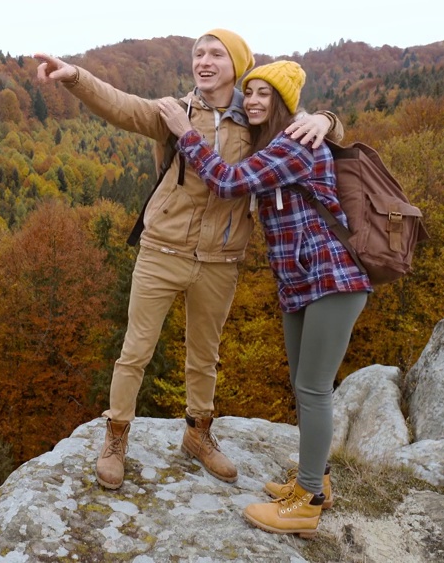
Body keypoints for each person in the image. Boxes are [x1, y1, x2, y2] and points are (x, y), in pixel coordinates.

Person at [35, 30, 343, 490]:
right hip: (163, 250)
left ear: (236, 65)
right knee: (135, 351)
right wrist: (75, 77)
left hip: (220, 258)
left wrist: (327, 119)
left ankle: (198, 435)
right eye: (198, 53)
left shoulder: (257, 116)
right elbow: (122, 106)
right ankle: (116, 437)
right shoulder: (174, 112)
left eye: (216, 54)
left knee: (204, 356)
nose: (204, 60)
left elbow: (307, 125)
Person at [156, 59, 371, 538]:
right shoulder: (281, 139)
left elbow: (228, 181)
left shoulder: (294, 142)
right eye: (248, 92)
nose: (252, 101)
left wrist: (182, 132)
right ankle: (319, 480)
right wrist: (329, 117)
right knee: (303, 384)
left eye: (263, 95)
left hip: (333, 278)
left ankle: (308, 501)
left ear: (283, 102)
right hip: (301, 283)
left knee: (314, 388)